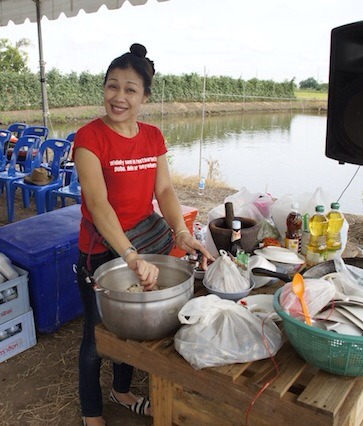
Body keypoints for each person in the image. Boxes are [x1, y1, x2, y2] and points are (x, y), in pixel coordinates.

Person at [73, 43, 212, 426]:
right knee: (97, 335)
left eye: (130, 89)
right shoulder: (89, 138)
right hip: (104, 249)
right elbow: (99, 206)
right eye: (112, 86)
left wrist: (181, 232)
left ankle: (121, 391)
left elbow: (164, 192)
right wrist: (130, 256)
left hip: (142, 244)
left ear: (145, 97)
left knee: (133, 328)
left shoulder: (152, 137)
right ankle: (91, 412)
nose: (119, 97)